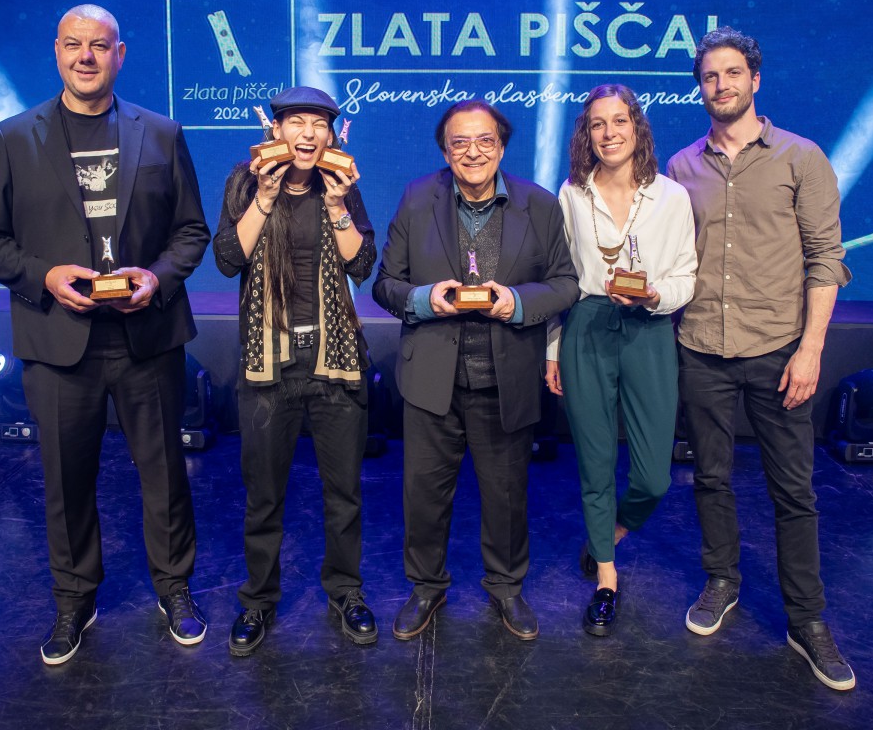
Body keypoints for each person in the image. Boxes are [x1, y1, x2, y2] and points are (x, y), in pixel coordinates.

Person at [0, 4, 210, 665]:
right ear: (56, 51)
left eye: (98, 46)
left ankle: (175, 590)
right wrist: (44, 276)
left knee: (165, 476)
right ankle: (74, 600)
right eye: (73, 44)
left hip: (146, 337)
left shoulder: (162, 133)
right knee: (65, 480)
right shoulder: (14, 136)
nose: (85, 56)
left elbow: (191, 231)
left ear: (119, 54)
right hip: (58, 339)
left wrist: (157, 277)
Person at [666, 27, 855, 690]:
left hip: (779, 351)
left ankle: (807, 621)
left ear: (755, 79)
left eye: (732, 73)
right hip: (700, 348)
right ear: (700, 87)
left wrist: (811, 350)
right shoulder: (680, 168)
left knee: (793, 492)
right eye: (709, 76)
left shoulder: (802, 158)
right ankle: (722, 580)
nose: (720, 85)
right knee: (710, 477)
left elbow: (826, 259)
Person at [373, 100, 579, 641]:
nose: (473, 152)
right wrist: (423, 299)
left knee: (507, 497)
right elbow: (385, 283)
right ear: (445, 151)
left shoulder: (538, 204)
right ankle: (426, 587)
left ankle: (507, 587)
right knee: (423, 497)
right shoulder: (418, 198)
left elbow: (565, 284)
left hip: (505, 378)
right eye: (460, 142)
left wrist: (516, 301)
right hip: (430, 379)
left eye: (485, 140)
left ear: (502, 147)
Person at [213, 87, 378, 656]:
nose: (308, 134)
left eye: (319, 125)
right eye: (296, 122)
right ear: (276, 130)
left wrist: (338, 206)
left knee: (344, 492)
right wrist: (262, 198)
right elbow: (228, 259)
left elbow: (362, 262)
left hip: (335, 357)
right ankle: (258, 600)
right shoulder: (245, 182)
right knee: (264, 495)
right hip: (269, 362)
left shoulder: (341, 185)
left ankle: (346, 592)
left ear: (332, 135)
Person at [544, 84, 697, 636]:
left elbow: (687, 275)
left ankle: (607, 534)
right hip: (586, 326)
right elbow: (559, 278)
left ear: (638, 127)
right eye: (597, 124)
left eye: (619, 121)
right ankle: (606, 579)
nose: (609, 133)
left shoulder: (671, 196)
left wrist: (655, 295)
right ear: (586, 135)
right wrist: (553, 347)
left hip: (648, 329)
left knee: (654, 477)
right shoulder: (570, 194)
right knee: (594, 460)